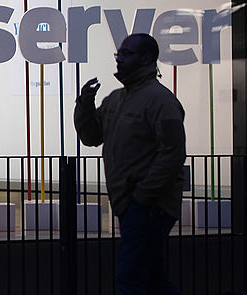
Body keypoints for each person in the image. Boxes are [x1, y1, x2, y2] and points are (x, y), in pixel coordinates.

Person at [74, 33, 186, 295]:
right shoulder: (116, 99)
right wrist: (84, 105)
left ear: (146, 58)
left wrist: (143, 196)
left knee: (130, 276)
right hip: (133, 203)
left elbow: (172, 153)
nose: (120, 59)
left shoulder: (161, 101)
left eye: (127, 54)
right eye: (119, 54)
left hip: (149, 206)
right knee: (151, 277)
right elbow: (91, 137)